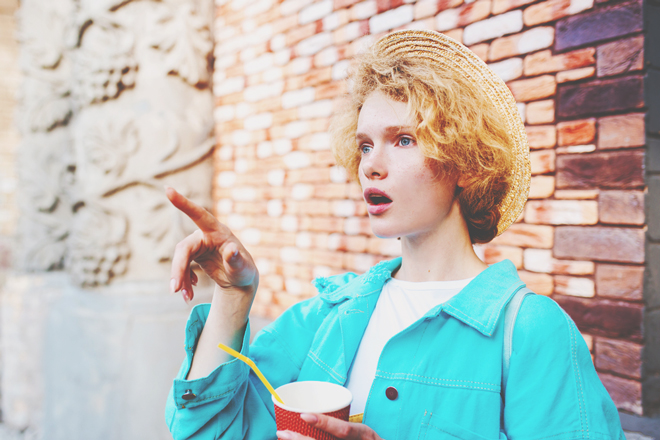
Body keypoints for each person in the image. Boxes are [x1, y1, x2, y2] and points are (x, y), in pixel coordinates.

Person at [165, 30, 625, 440]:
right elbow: (206, 431)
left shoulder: (529, 331)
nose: (371, 164)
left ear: (465, 162)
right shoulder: (327, 315)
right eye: (365, 145)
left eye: (403, 139)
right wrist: (233, 296)